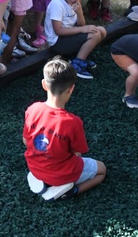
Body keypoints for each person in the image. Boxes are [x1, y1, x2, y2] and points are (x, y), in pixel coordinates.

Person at [23, 58, 106, 201]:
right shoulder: (73, 122)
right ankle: (72, 191)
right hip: (62, 174)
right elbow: (78, 153)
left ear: (44, 84)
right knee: (102, 170)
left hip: (35, 168)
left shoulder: (32, 109)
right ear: (71, 88)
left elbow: (25, 140)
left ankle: (45, 181)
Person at [44, 0, 107, 79]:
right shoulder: (57, 4)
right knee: (95, 34)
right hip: (58, 42)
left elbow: (81, 24)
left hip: (69, 37)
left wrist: (79, 12)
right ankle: (77, 64)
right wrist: (82, 30)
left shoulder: (75, 2)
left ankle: (78, 55)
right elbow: (58, 30)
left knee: (102, 31)